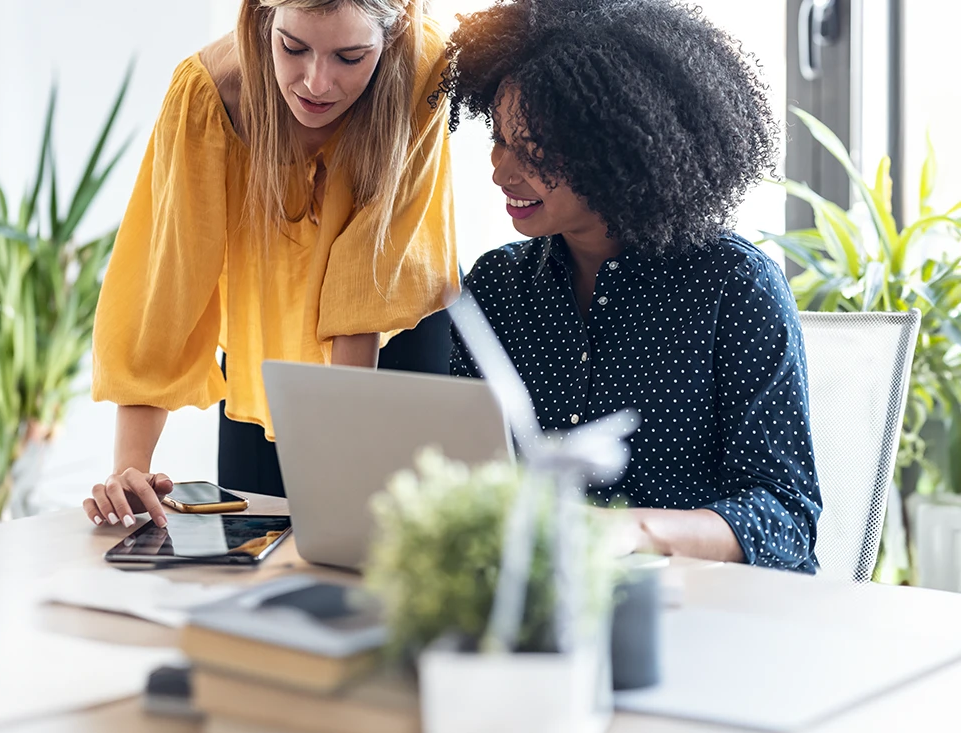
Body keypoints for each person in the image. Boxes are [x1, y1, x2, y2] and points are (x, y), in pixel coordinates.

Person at [443, 0, 822, 571]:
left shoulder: (735, 287)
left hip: (702, 616)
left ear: (618, 148)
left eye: (532, 150)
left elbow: (784, 518)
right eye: (499, 139)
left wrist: (630, 529)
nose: (501, 169)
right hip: (535, 607)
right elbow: (470, 480)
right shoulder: (497, 287)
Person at [84, 0, 459, 529]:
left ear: (393, 34)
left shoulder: (425, 68)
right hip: (259, 354)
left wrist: (339, 473)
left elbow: (367, 279)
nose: (316, 83)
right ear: (263, 18)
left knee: (385, 550)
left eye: (350, 57)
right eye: (292, 47)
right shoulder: (209, 95)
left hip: (391, 335)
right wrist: (129, 471)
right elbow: (164, 288)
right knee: (256, 553)